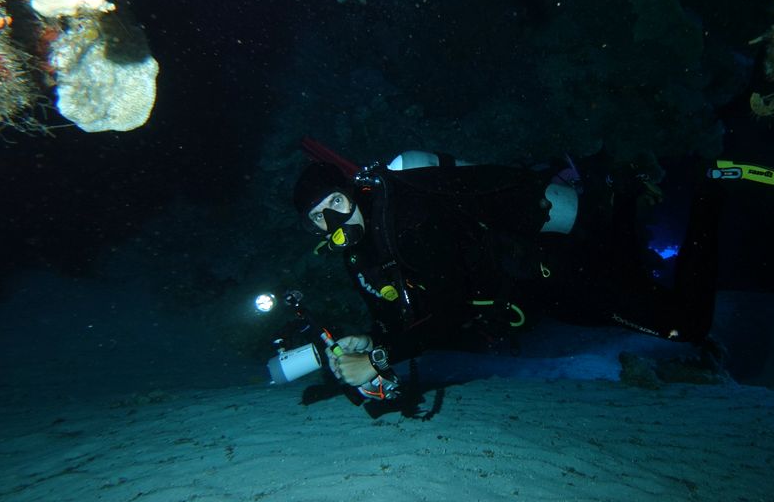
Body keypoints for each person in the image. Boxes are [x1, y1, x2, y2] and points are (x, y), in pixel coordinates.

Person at [290, 142, 722, 403]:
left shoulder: (409, 221)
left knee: (685, 325)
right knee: (627, 269)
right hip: (532, 296)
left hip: (550, 272)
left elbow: (448, 312)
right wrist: (370, 340)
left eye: (336, 204)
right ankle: (623, 192)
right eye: (318, 218)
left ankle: (713, 188)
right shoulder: (360, 253)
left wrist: (378, 358)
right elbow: (398, 317)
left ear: (353, 193)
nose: (334, 223)